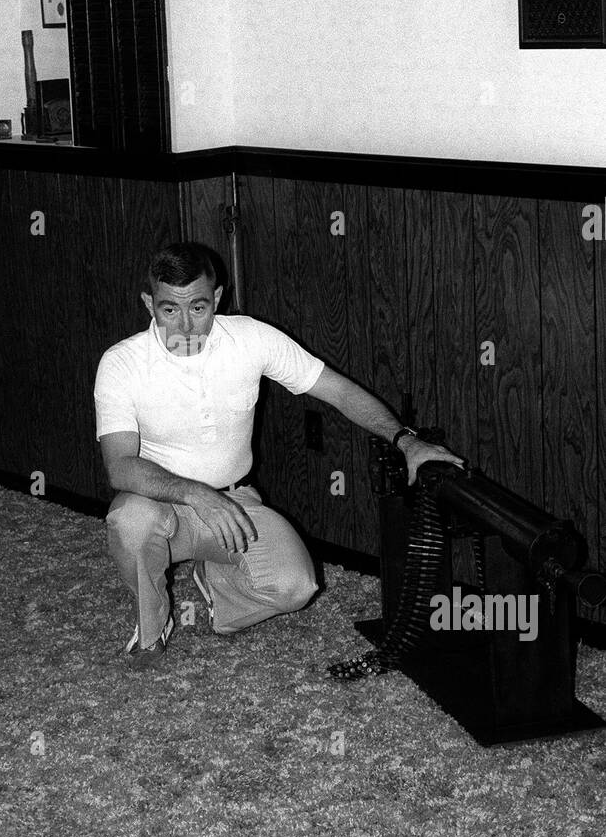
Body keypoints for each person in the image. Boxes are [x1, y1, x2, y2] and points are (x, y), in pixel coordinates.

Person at [94, 241, 463, 669]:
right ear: (149, 304)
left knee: (296, 586)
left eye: (197, 308)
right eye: (169, 310)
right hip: (161, 506)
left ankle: (218, 591)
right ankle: (153, 625)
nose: (186, 327)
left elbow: (338, 391)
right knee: (130, 521)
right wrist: (196, 494)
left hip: (235, 501)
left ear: (216, 299)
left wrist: (406, 440)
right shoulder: (122, 363)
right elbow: (119, 466)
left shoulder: (251, 338)